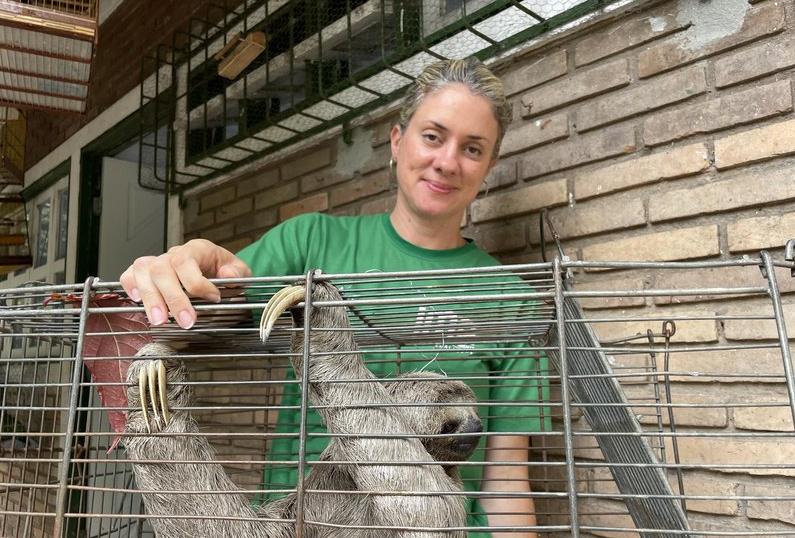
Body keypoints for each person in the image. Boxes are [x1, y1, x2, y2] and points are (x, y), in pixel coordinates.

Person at [121, 57, 541, 538]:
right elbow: (220, 303)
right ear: (397, 140)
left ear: (489, 166)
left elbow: (507, 480)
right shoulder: (312, 243)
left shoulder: (514, 300)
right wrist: (180, 279)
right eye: (432, 136)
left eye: (472, 148)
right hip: (300, 523)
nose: (447, 161)